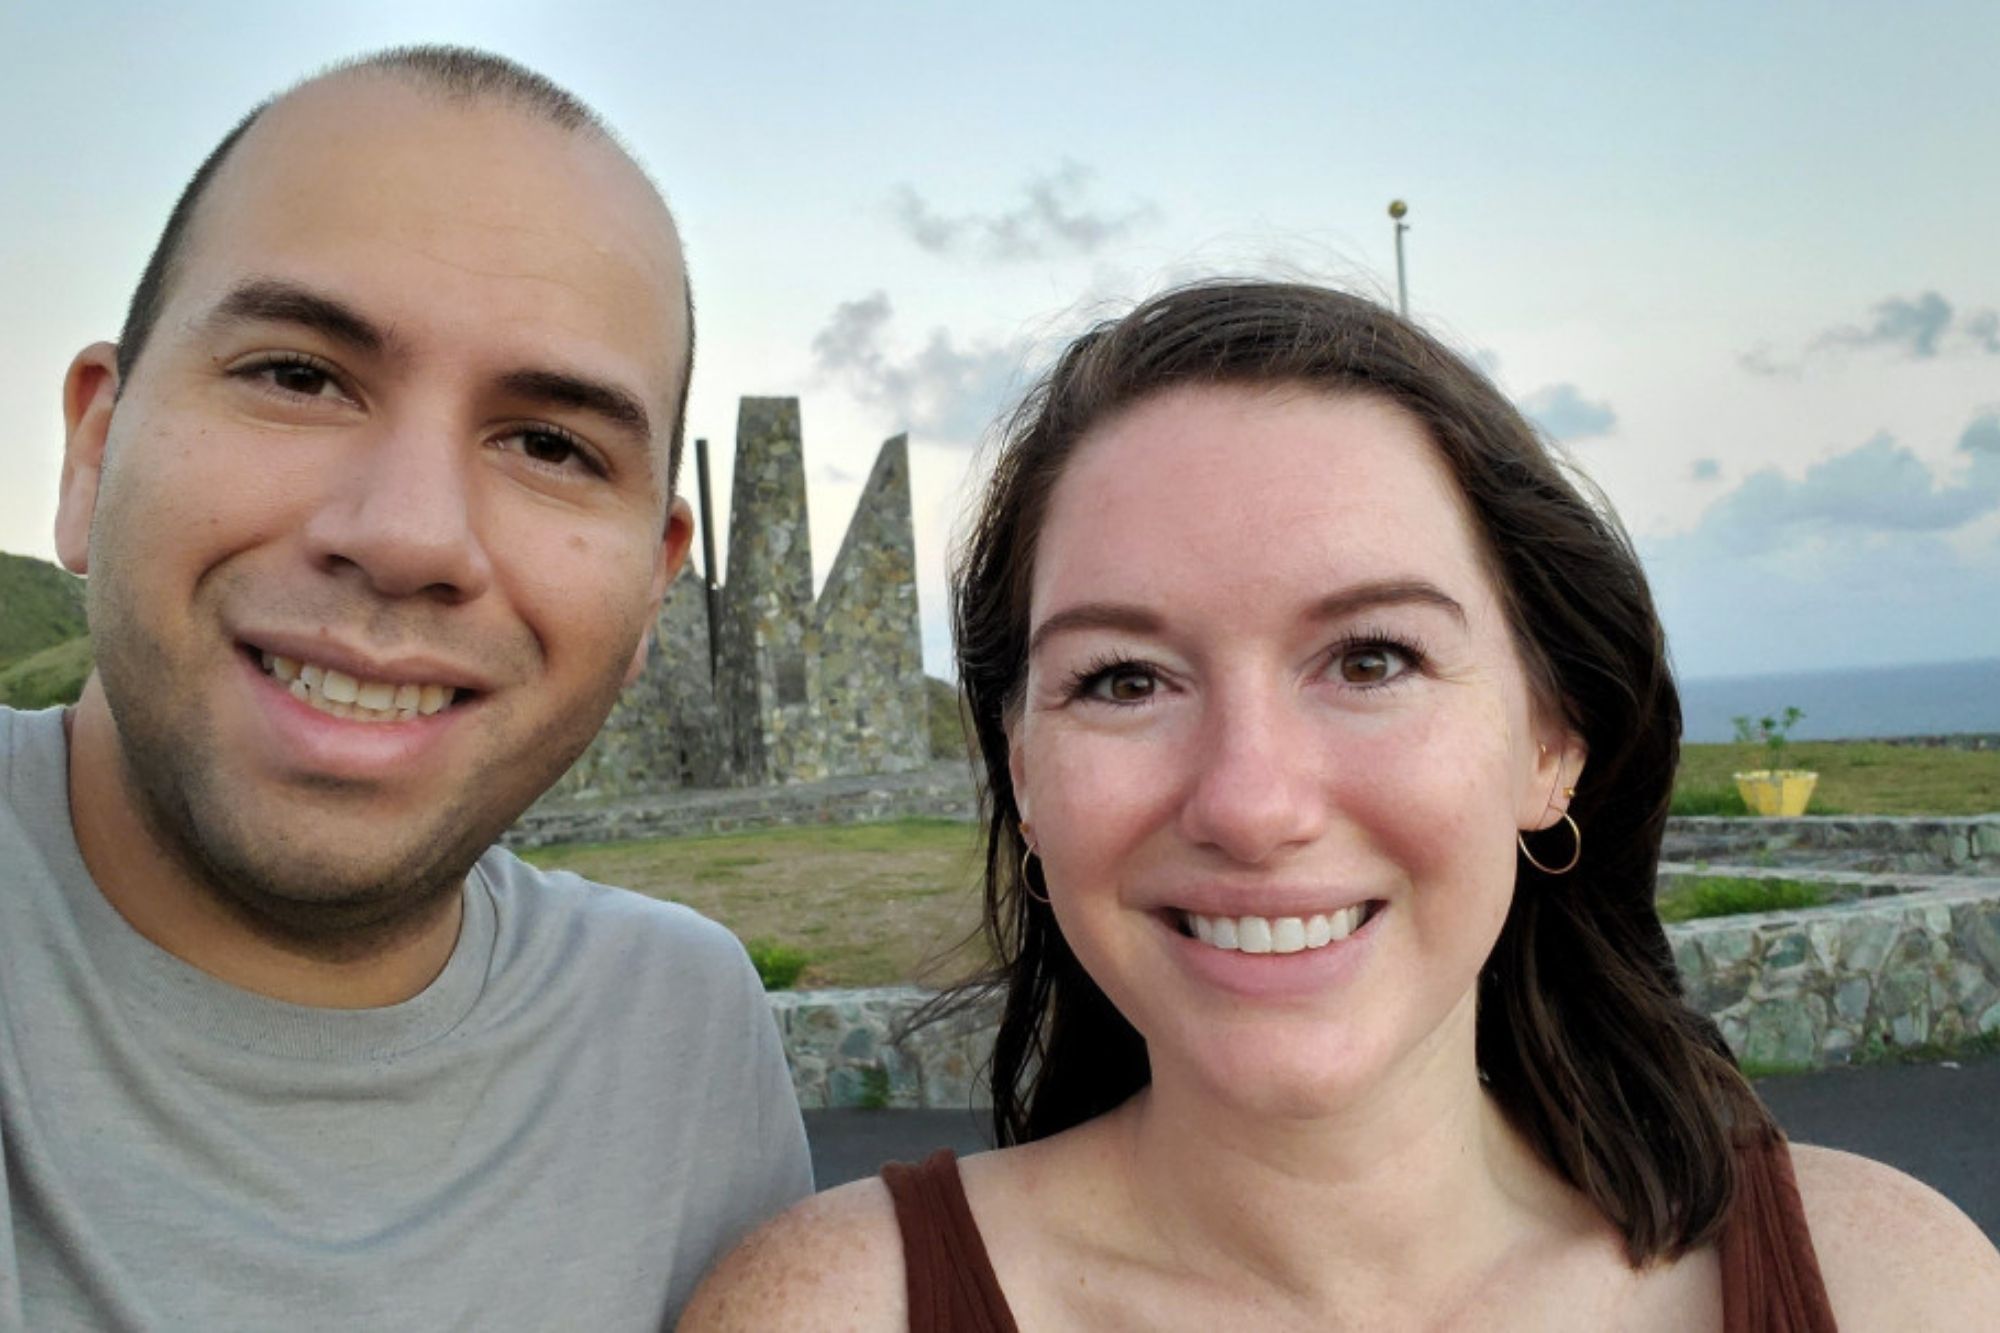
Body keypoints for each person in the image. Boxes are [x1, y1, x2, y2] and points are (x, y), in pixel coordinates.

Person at [682, 281, 2000, 1330]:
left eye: (1372, 658)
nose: (1253, 802)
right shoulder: (832, 1312)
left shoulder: (1895, 1289)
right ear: (1023, 772)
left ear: (1551, 742)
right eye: (1124, 678)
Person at [0, 47, 811, 1329]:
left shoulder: (681, 1031)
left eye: (549, 444)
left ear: (656, 589)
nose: (410, 535)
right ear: (96, 448)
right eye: (298, 375)